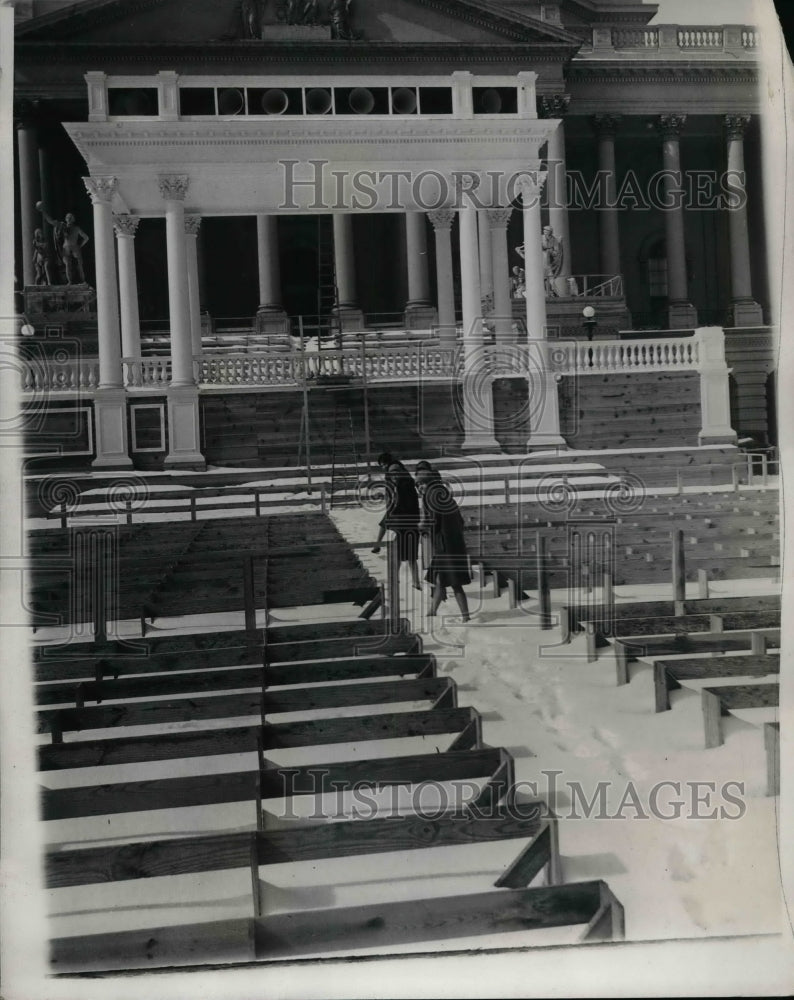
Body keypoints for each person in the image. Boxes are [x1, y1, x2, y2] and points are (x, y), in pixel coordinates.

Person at [416, 467, 471, 622]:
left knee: (454, 583)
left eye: (420, 484)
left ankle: (466, 617)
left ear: (426, 483)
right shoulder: (443, 494)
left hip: (445, 546)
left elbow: (433, 522)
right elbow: (460, 521)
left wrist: (421, 527)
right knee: (440, 580)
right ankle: (432, 612)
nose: (419, 488)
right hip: (453, 543)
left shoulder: (431, 495)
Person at [371, 452, 421, 590]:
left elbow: (398, 498)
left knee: (399, 552)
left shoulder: (397, 478)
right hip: (409, 518)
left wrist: (392, 508)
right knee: (409, 555)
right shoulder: (403, 477)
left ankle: (396, 579)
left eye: (383, 466)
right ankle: (414, 581)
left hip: (403, 517)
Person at [36, 202, 89, 285]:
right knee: (68, 264)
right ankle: (70, 282)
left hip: (74, 247)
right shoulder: (62, 225)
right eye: (67, 217)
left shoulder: (76, 228)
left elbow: (86, 238)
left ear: (74, 219)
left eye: (71, 217)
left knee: (79, 265)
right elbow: (51, 221)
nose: (69, 218)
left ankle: (82, 281)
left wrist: (80, 245)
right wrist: (43, 211)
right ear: (65, 219)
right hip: (66, 248)